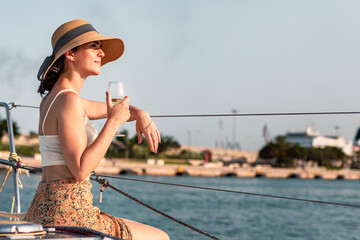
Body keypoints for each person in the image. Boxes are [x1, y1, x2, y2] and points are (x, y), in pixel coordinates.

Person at [24, 19, 169, 240]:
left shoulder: (55, 98)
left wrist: (140, 113)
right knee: (160, 237)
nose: (101, 53)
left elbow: (111, 109)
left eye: (100, 46)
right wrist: (113, 124)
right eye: (93, 46)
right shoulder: (70, 101)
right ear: (70, 54)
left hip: (43, 209)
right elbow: (81, 170)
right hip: (71, 214)